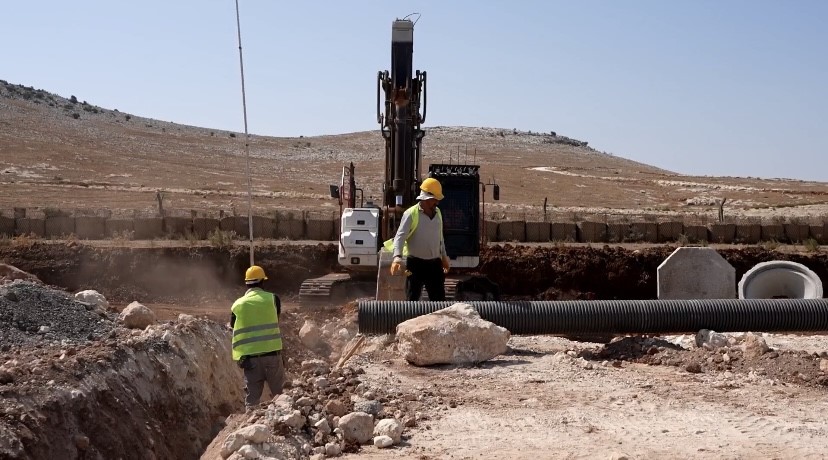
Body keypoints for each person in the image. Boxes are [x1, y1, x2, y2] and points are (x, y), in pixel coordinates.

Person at [230, 265, 284, 408]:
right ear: (262, 281)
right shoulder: (273, 299)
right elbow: (276, 318)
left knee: (252, 401)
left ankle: (251, 419)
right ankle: (283, 419)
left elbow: (233, 324)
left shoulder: (238, 304)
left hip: (250, 359)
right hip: (272, 355)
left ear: (246, 283)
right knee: (280, 396)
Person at [389, 177, 451, 301]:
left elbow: (440, 237)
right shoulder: (411, 214)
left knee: (439, 302)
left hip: (434, 265)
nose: (437, 202)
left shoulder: (438, 213)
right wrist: (397, 257)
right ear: (426, 198)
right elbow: (400, 237)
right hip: (415, 265)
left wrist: (444, 256)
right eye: (434, 199)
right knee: (412, 301)